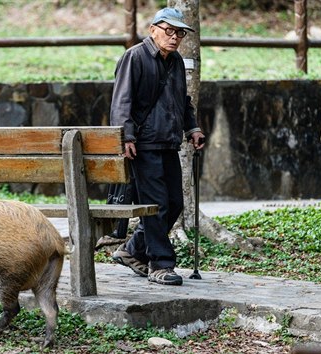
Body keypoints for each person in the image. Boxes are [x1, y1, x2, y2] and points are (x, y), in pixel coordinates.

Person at [110, 7, 205, 286]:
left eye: (180, 33)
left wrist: (193, 127)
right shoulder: (135, 57)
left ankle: (131, 250)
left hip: (168, 142)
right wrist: (126, 137)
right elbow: (121, 101)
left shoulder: (174, 61)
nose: (174, 37)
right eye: (169, 31)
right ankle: (160, 264)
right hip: (143, 144)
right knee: (157, 205)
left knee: (174, 202)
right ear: (153, 29)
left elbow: (181, 100)